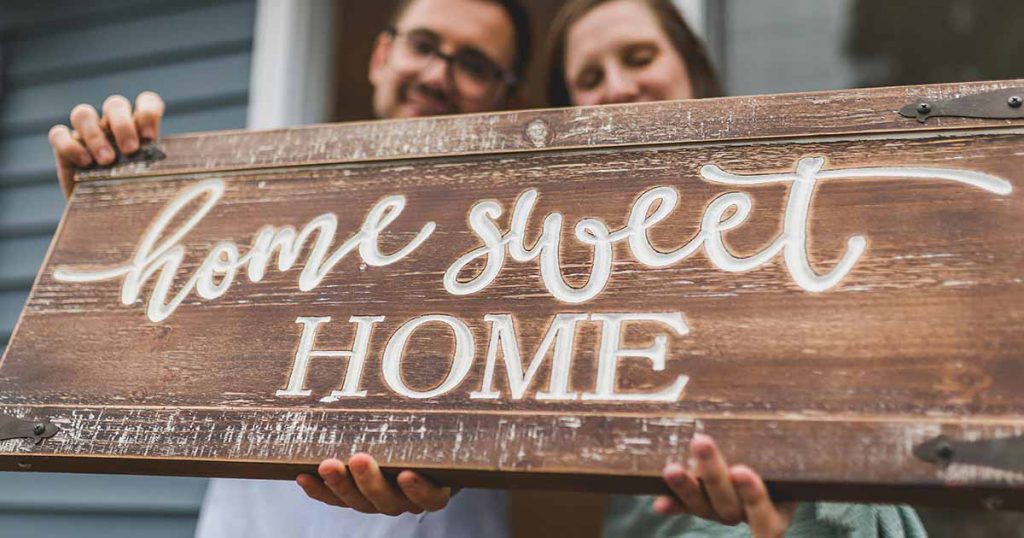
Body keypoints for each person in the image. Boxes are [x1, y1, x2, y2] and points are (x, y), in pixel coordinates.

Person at [545, 1, 927, 537]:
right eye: (589, 77)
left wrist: (809, 508)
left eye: (639, 56)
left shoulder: (791, 216)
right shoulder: (555, 263)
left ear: (692, 67)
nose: (617, 86)